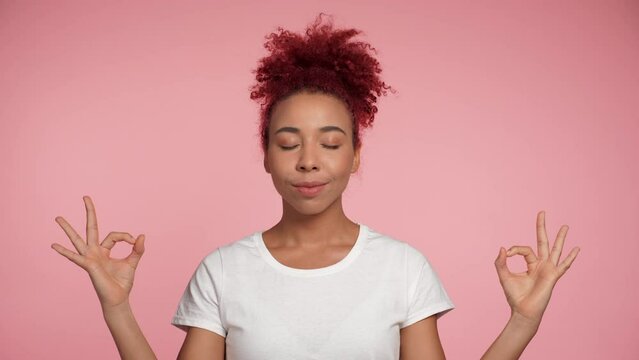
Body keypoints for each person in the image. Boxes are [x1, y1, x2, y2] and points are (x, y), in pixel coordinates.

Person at [51, 13, 580, 360]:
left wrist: (522, 324)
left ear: (355, 156)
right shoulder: (223, 271)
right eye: (288, 143)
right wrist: (117, 307)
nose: (308, 162)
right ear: (265, 156)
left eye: (330, 143)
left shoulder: (403, 267)